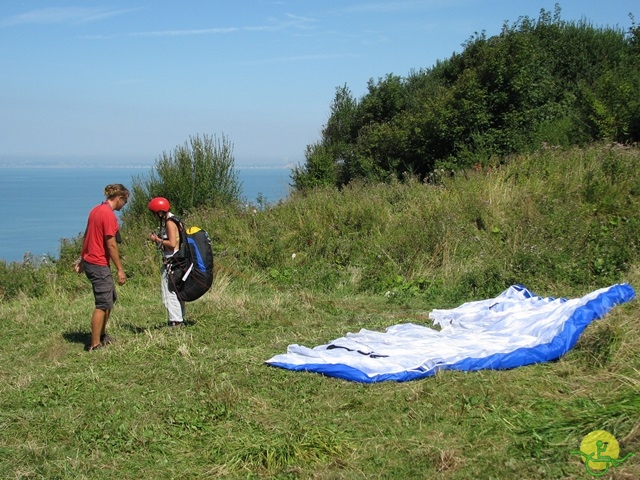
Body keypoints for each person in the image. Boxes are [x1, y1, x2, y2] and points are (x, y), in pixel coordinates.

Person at [76, 183, 129, 351]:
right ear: (119, 198)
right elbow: (111, 244)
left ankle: (102, 335)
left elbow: (87, 235)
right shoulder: (108, 215)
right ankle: (95, 344)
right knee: (102, 304)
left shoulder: (96, 210)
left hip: (92, 261)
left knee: (109, 299)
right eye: (125, 201)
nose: (124, 205)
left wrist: (82, 258)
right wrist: (120, 269)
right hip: (98, 263)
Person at [147, 197, 186, 327]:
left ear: (159, 212)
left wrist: (156, 239)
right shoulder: (175, 219)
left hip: (172, 260)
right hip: (179, 259)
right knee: (176, 290)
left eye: (154, 213)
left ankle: (175, 321)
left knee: (169, 292)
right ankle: (178, 318)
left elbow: (172, 243)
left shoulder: (169, 222)